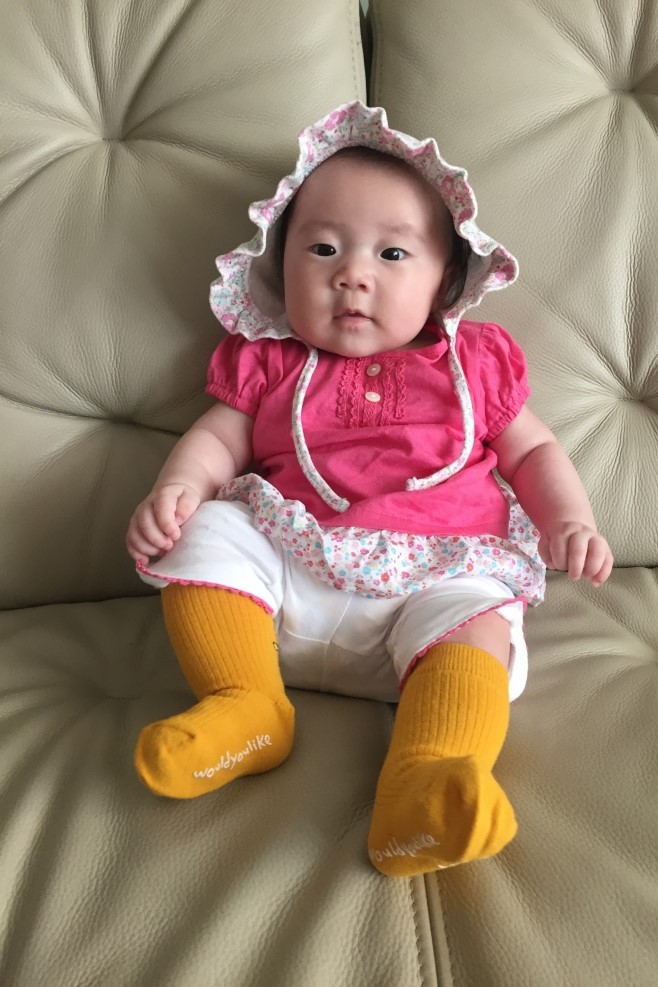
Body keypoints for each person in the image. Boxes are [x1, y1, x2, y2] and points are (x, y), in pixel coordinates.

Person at [126, 102, 612, 877]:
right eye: (322, 248)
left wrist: (570, 519)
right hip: (287, 585)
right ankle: (246, 704)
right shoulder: (271, 361)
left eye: (391, 253)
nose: (351, 274)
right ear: (279, 266)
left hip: (434, 583)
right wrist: (177, 491)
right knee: (209, 530)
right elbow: (218, 440)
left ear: (445, 280)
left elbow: (535, 449)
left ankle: (427, 778)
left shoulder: (474, 363)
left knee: (480, 619)